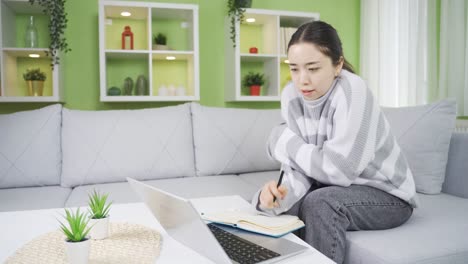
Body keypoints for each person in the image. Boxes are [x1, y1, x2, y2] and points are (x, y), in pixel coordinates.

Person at [252, 21, 418, 264]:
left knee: (320, 203)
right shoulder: (291, 96)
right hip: (335, 189)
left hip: (388, 195)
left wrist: (282, 141)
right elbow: (299, 166)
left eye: (313, 68)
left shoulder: (354, 92)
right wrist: (276, 198)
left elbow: (339, 171)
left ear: (337, 64)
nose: (302, 80)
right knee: (287, 207)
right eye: (294, 69)